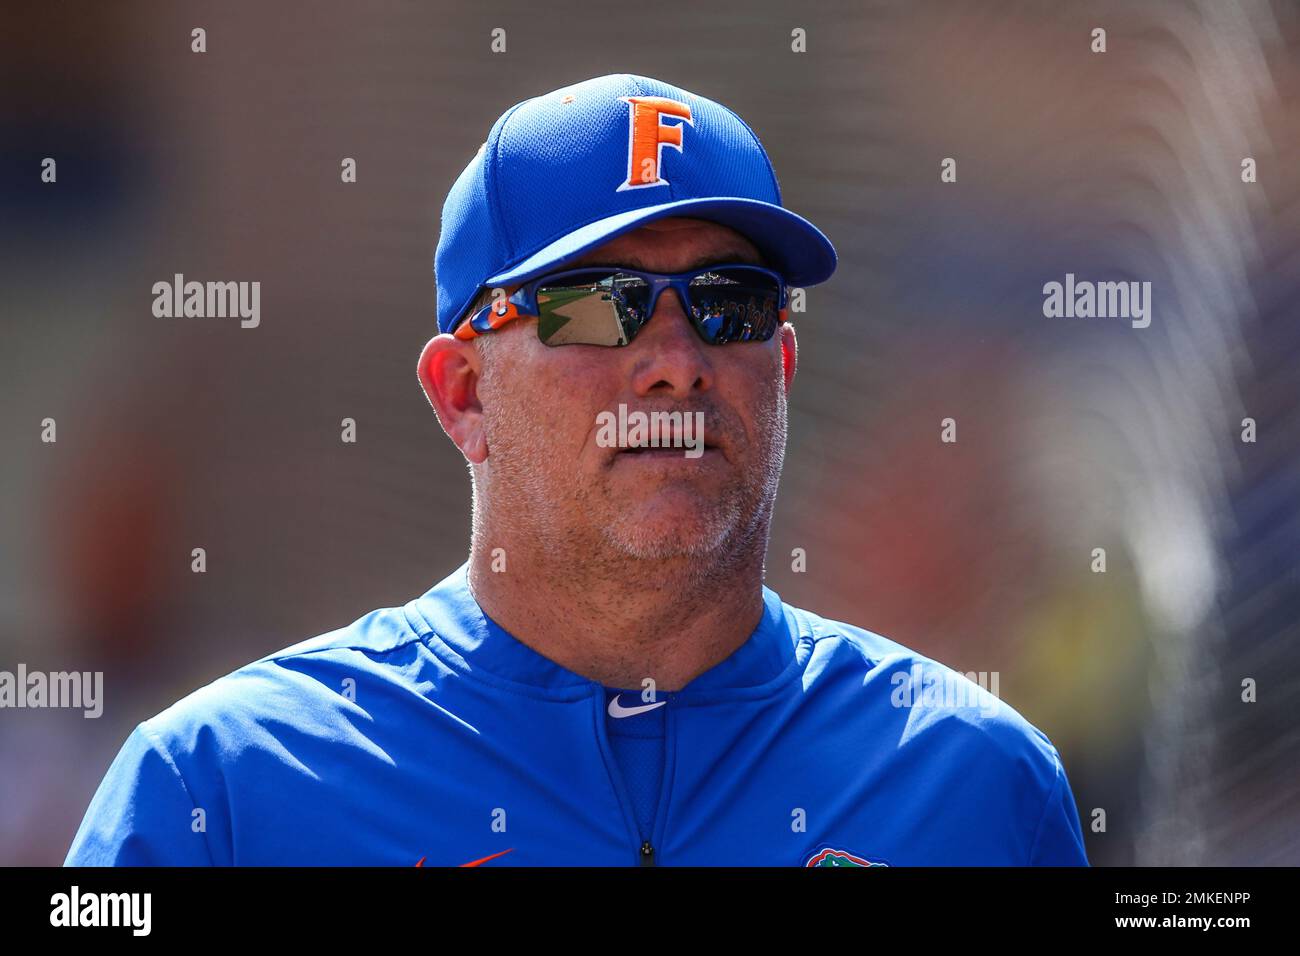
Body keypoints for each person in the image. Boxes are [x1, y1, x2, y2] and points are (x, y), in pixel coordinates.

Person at [66, 73, 1088, 866]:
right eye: (597, 303)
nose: (677, 361)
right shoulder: (225, 787)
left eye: (729, 300)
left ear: (778, 366)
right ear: (463, 392)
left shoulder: (974, 778)